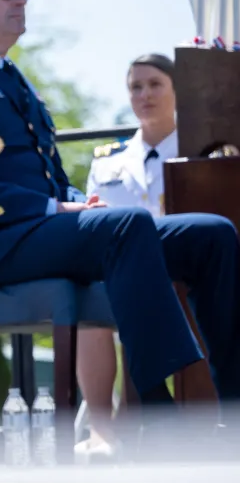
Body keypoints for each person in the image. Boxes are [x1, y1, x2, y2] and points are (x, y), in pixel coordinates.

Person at [0, 0, 240, 445]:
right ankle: (160, 418)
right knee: (127, 226)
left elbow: (51, 179)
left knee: (211, 234)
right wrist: (54, 209)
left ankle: (231, 406)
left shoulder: (13, 80)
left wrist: (78, 202)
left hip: (37, 232)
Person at [74, 52, 179, 461]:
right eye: (136, 87)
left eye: (155, 84)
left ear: (176, 91)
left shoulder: (203, 149)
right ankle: (103, 430)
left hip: (178, 269)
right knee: (88, 297)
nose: (144, 94)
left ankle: (170, 420)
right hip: (118, 274)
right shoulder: (108, 161)